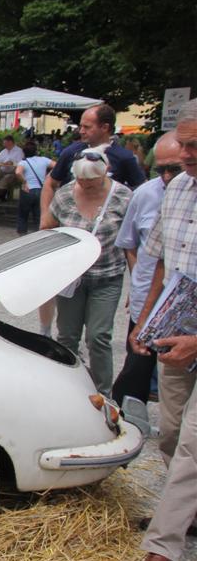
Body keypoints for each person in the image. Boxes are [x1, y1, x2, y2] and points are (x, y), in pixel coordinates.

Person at [130, 99, 197, 561]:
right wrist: (144, 321)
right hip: (175, 332)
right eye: (183, 145)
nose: (186, 154)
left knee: (193, 443)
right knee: (169, 433)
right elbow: (158, 265)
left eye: (194, 146)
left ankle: (162, 548)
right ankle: (186, 511)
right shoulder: (176, 192)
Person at [37, 104, 147, 337]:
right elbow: (50, 183)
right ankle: (46, 331)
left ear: (105, 127)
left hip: (105, 257)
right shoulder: (71, 151)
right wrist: (46, 216)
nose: (81, 131)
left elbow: (141, 196)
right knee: (66, 328)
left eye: (87, 126)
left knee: (98, 335)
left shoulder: (124, 158)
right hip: (72, 256)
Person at [40, 148, 132, 395]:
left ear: (105, 173)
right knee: (67, 336)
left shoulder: (123, 197)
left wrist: (138, 287)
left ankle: (103, 393)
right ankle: (65, 389)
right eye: (81, 181)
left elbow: (133, 245)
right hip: (72, 279)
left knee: (98, 336)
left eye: (91, 182)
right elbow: (47, 228)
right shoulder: (66, 195)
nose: (85, 186)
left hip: (107, 277)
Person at [111, 132, 184, 406]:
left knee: (173, 373)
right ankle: (128, 418)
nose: (166, 177)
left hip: (181, 303)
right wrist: (137, 280)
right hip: (148, 295)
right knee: (137, 365)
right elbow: (130, 244)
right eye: (160, 169)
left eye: (173, 169)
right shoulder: (144, 194)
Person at [14, 140, 54, 235]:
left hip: (27, 189)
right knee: (39, 214)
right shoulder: (44, 160)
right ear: (36, 151)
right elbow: (57, 165)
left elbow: (18, 172)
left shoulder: (23, 162)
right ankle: (39, 233)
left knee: (23, 214)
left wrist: (24, 182)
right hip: (41, 189)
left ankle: (22, 233)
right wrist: (49, 176)